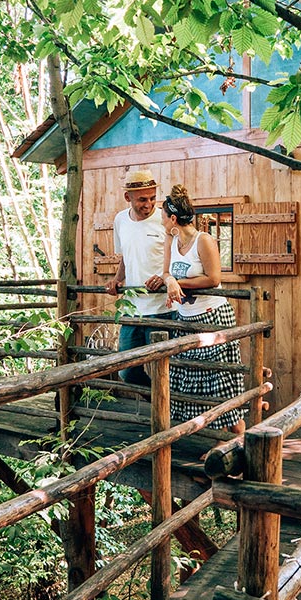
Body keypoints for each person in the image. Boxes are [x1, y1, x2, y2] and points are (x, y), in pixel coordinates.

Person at [161, 184, 246, 434]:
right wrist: (169, 281)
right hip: (186, 319)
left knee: (218, 379)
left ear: (173, 218)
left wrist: (179, 283)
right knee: (189, 377)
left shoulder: (204, 240)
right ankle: (215, 434)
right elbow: (167, 271)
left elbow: (213, 278)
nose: (161, 221)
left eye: (163, 217)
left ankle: (234, 435)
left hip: (213, 317)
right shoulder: (172, 240)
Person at [105, 168, 174, 385]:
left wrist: (165, 277)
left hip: (162, 308)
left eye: (153, 198)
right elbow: (127, 255)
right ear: (128, 198)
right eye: (142, 199)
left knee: (166, 370)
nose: (149, 204)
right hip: (132, 310)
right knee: (127, 371)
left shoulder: (165, 219)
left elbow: (181, 256)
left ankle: (169, 414)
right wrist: (117, 279)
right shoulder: (120, 221)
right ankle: (158, 404)